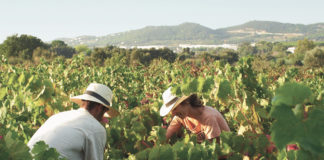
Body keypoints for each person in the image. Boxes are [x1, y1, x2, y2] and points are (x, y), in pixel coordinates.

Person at [28, 83, 118, 160]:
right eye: (105, 111)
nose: (103, 118)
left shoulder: (58, 116)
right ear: (99, 107)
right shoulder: (95, 128)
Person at [160, 87, 230, 143]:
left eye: (174, 108)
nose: (173, 113)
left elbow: (212, 150)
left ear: (186, 101)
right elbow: (166, 137)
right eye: (171, 111)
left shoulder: (208, 117)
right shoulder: (181, 117)